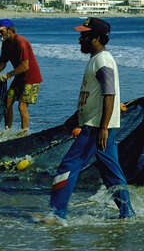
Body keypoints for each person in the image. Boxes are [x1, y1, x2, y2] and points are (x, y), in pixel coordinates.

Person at [48, 18, 134, 220]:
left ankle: (56, 214)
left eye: (84, 35)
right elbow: (93, 95)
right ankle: (126, 212)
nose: (80, 39)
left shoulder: (103, 60)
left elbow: (109, 94)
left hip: (96, 127)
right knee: (110, 172)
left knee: (68, 167)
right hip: (96, 124)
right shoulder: (96, 59)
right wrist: (75, 118)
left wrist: (103, 127)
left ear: (96, 38)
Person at [0, 19, 42, 132]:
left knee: (22, 107)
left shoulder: (21, 42)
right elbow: (2, 63)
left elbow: (25, 66)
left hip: (31, 78)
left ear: (10, 30)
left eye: (2, 31)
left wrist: (8, 75)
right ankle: (8, 130)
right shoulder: (5, 43)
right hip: (19, 77)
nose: (0, 34)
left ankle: (23, 133)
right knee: (7, 102)